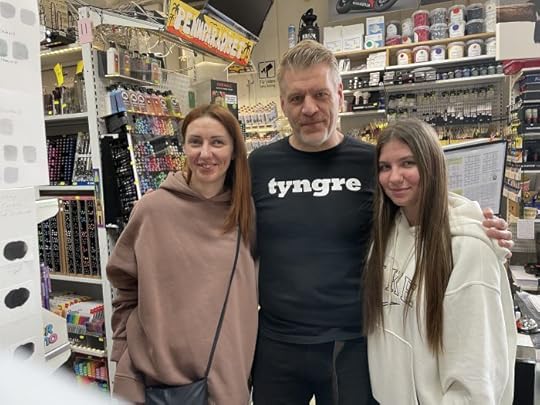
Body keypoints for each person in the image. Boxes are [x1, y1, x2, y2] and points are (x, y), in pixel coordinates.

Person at [248, 40, 513, 405]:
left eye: (320, 94)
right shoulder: (259, 165)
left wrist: (475, 223)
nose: (309, 108)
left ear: (340, 95)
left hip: (356, 343)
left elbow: (421, 203)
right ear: (282, 104)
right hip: (278, 343)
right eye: (296, 98)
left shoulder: (372, 162)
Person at [106, 104, 257, 404]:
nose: (205, 153)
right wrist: (123, 353)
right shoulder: (152, 210)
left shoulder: (245, 213)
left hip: (227, 378)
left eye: (217, 142)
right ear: (184, 147)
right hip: (156, 383)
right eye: (195, 142)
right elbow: (125, 286)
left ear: (234, 151)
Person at [364, 118, 517, 404]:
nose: (394, 177)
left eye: (408, 163)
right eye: (385, 167)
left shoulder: (468, 248)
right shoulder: (387, 234)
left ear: (432, 164)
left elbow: (476, 377)